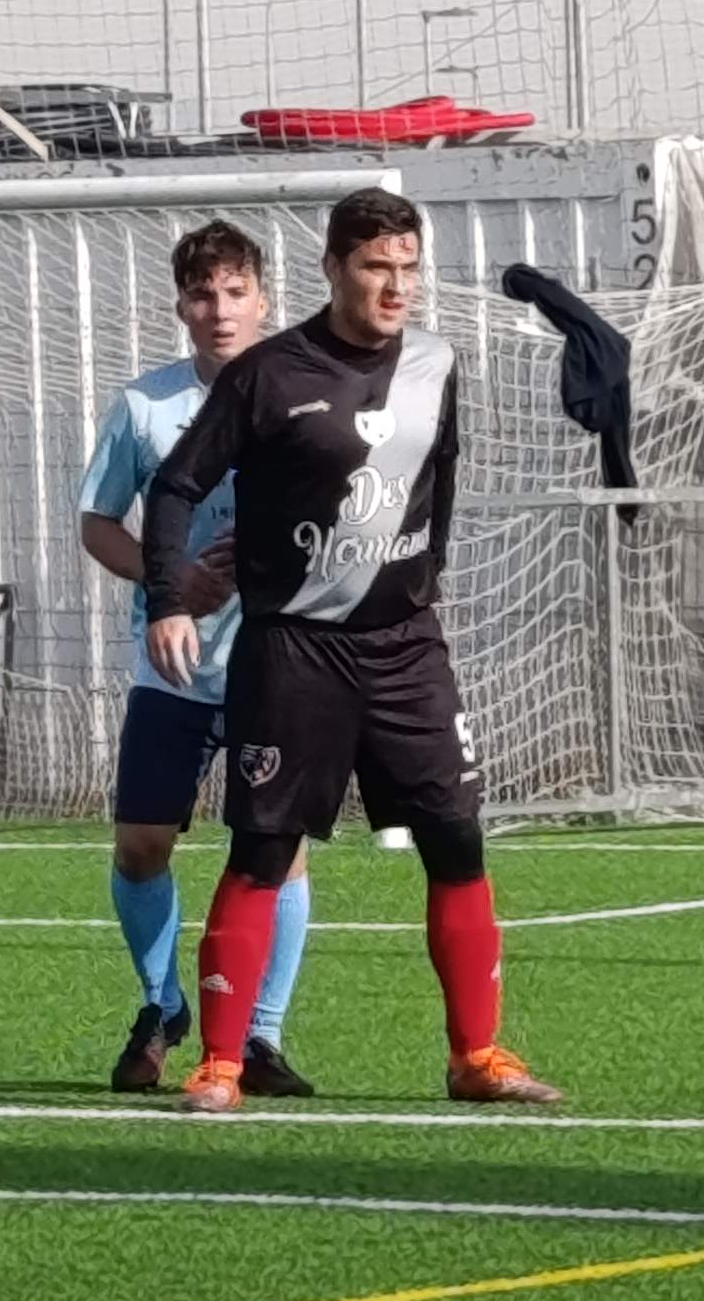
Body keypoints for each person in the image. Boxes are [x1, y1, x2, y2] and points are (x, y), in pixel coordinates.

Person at [138, 188, 561, 1113]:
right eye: (376, 267)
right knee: (263, 850)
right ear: (333, 269)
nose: (396, 286)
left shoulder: (438, 363)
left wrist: (421, 585)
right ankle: (221, 1064)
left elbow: (441, 479)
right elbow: (175, 488)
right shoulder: (267, 374)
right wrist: (169, 601)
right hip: (294, 652)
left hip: (406, 649)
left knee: (457, 840)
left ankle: (476, 1057)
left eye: (409, 268)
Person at [75, 221, 315, 1096]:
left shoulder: (303, 398)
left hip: (278, 659)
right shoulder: (147, 407)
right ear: (180, 305)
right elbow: (98, 524)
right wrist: (168, 582)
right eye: (202, 293)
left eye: (235, 291)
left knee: (277, 849)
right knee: (142, 844)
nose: (220, 310)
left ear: (264, 300)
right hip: (172, 666)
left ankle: (260, 1035)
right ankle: (163, 1004)